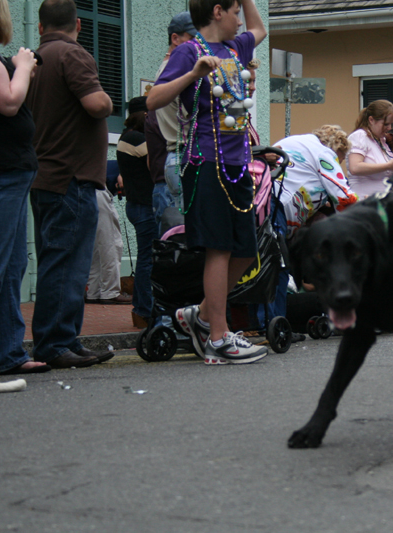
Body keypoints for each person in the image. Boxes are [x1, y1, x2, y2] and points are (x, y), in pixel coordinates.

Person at [147, 0, 269, 365]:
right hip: (205, 162)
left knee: (246, 249)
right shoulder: (189, 51)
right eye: (235, 12)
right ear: (217, 12)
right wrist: (193, 74)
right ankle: (217, 335)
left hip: (237, 163)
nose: (240, 21)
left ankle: (199, 315)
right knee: (219, 248)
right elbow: (153, 99)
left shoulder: (235, 47)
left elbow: (259, 30)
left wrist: (245, 1)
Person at [26, 0, 115, 369]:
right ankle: (56, 343)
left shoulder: (33, 60)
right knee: (68, 266)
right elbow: (96, 104)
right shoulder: (73, 54)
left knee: (54, 261)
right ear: (78, 24)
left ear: (42, 26)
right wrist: (109, 100)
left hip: (43, 174)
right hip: (71, 177)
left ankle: (64, 338)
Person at [0, 0, 49, 376]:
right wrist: (20, 67)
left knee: (10, 267)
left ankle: (5, 353)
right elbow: (6, 101)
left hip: (10, 173)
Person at [255, 125, 358, 328]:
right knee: (278, 267)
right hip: (276, 207)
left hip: (258, 199)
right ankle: (273, 326)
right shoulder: (324, 152)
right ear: (337, 148)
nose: (339, 163)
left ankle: (257, 324)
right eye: (340, 159)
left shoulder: (291, 142)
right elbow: (345, 197)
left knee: (259, 264)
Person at [146, 12, 196, 220]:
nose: (199, 45)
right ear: (175, 39)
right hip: (183, 155)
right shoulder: (178, 71)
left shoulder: (165, 69)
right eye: (193, 38)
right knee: (189, 236)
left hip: (174, 158)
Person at [117, 97, 157, 329]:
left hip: (137, 204)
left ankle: (142, 310)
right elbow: (156, 163)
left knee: (146, 258)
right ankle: (143, 310)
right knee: (148, 260)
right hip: (144, 205)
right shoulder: (136, 138)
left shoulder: (126, 137)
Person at [347, 100, 393, 199]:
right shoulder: (359, 136)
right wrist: (388, 166)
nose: (389, 128)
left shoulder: (382, 141)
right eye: (385, 124)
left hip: (382, 204)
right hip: (364, 204)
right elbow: (355, 168)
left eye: (391, 124)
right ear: (371, 120)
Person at [85, 184, 130, 305]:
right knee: (111, 243)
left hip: (88, 191)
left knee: (96, 247)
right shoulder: (116, 168)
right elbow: (121, 182)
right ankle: (110, 292)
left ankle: (93, 292)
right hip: (100, 191)